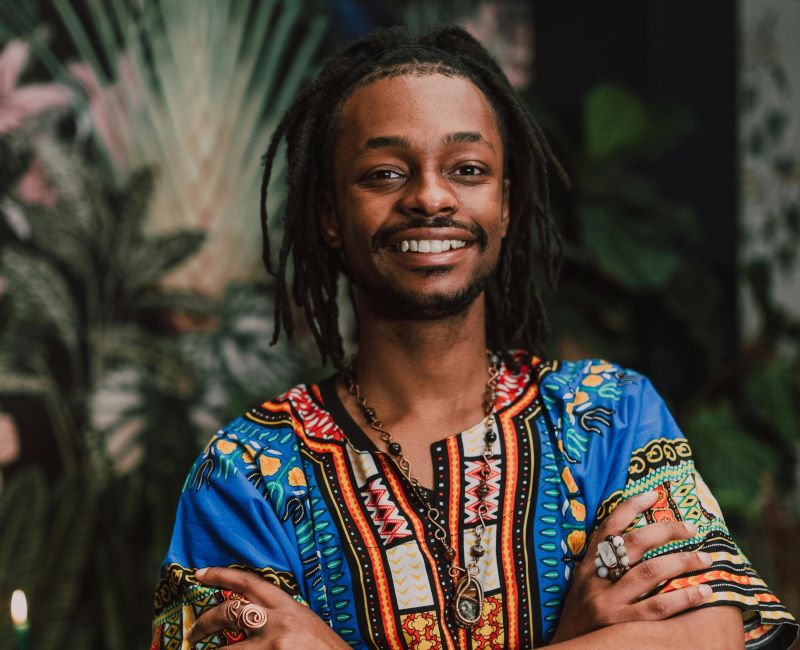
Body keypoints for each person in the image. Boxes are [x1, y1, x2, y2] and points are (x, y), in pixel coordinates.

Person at [150, 25, 797, 649]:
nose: (430, 197)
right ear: (327, 213)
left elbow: (713, 634)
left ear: (505, 204)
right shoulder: (247, 472)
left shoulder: (607, 415)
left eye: (466, 169)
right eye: (383, 173)